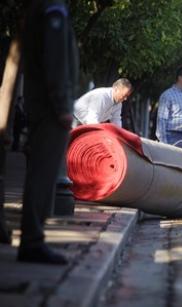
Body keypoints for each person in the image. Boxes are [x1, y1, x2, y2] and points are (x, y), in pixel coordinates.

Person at [19, 0, 79, 264]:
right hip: (50, 108)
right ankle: (33, 241)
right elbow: (55, 62)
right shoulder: (53, 9)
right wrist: (63, 106)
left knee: (41, 174)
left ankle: (34, 238)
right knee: (43, 175)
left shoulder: (41, 7)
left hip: (42, 104)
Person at [156, 66, 182, 151]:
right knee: (173, 163)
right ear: (180, 78)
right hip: (172, 136)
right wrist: (163, 142)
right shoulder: (167, 95)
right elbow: (161, 120)